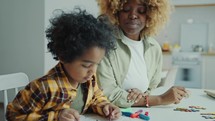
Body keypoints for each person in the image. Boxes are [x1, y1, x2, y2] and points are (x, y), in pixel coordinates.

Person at [6, 8, 121, 121]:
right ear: (64, 56)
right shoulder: (43, 88)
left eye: (97, 64)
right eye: (86, 65)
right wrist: (56, 116)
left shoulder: (89, 80)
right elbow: (13, 115)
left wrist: (106, 107)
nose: (93, 71)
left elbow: (96, 99)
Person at [96, 0, 188, 108]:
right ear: (116, 13)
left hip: (139, 114)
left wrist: (142, 95)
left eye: (141, 11)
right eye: (126, 9)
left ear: (150, 16)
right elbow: (107, 94)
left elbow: (151, 87)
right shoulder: (104, 44)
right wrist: (160, 99)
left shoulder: (154, 48)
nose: (133, 15)